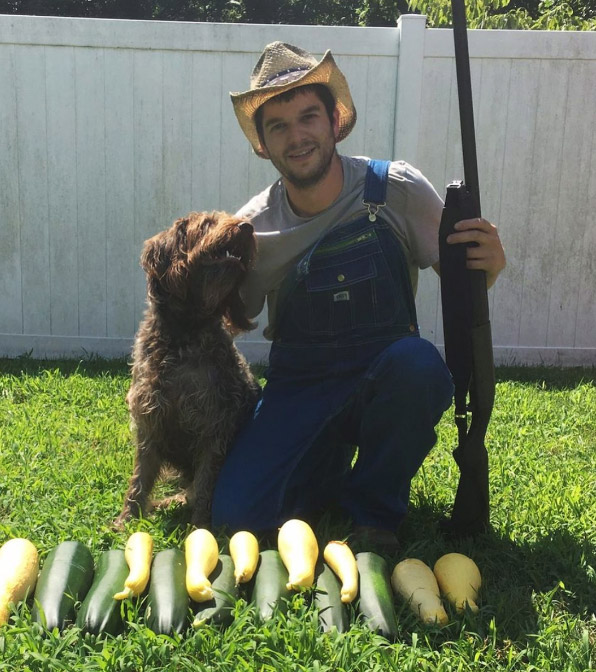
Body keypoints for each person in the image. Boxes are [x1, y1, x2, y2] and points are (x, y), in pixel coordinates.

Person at [210, 42, 506, 552]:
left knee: (420, 367)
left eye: (308, 117)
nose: (297, 136)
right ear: (263, 142)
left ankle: (374, 510)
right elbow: (229, 321)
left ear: (334, 121)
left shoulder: (397, 188)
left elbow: (464, 285)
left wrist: (490, 263)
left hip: (382, 376)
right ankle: (322, 465)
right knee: (238, 513)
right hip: (298, 386)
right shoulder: (251, 230)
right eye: (278, 125)